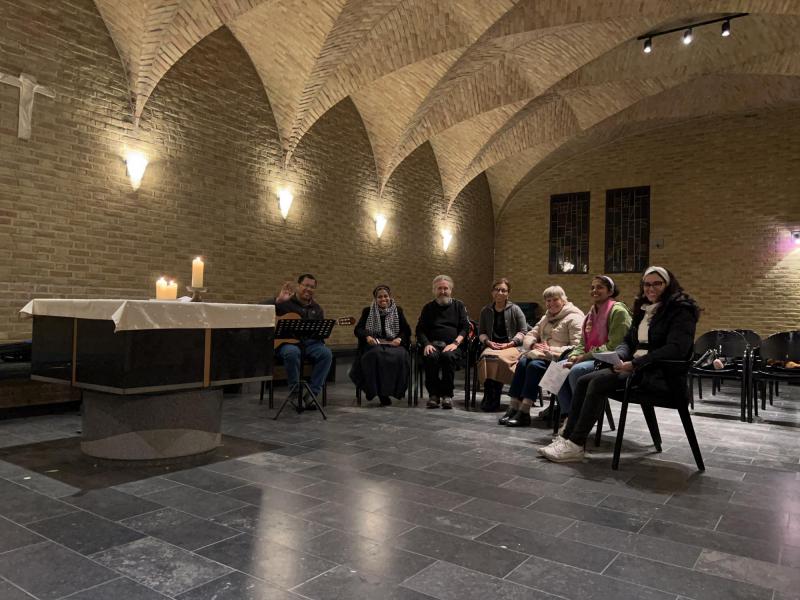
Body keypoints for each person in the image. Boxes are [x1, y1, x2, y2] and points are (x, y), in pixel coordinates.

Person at [540, 266, 700, 462]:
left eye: (657, 283)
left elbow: (676, 348)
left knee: (596, 383)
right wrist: (619, 356)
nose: (651, 288)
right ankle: (567, 438)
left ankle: (576, 444)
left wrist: (635, 363)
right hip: (637, 368)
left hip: (661, 374)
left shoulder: (681, 310)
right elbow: (628, 341)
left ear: (668, 285)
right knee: (583, 380)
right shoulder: (643, 309)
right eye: (647, 284)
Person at [499, 286, 584, 427]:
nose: (551, 304)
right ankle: (514, 407)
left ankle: (524, 411)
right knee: (523, 362)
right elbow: (530, 334)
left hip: (560, 359)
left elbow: (577, 346)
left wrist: (551, 349)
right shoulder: (547, 316)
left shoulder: (574, 318)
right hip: (542, 355)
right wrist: (532, 345)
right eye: (548, 301)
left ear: (563, 300)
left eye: (554, 299)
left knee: (534, 366)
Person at [559, 275, 632, 426]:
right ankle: (568, 416)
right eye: (592, 287)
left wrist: (584, 357)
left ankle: (580, 421)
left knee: (576, 371)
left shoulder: (618, 311)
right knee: (558, 368)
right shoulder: (590, 314)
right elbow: (582, 343)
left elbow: (616, 345)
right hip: (589, 357)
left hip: (610, 360)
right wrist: (574, 355)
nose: (594, 290)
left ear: (610, 291)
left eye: (600, 287)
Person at [262, 274, 333, 408]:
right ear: (299, 286)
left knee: (326, 354)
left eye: (312, 287)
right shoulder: (285, 303)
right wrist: (277, 300)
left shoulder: (317, 309)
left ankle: (312, 393)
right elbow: (259, 309)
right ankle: (295, 393)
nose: (308, 289)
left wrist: (322, 333)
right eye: (306, 285)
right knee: (292, 353)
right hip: (286, 343)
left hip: (310, 344)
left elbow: (320, 334)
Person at [350, 284, 412, 406]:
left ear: (390, 297)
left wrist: (399, 338)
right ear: (375, 299)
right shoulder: (367, 311)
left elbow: (407, 330)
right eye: (380, 297)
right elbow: (358, 329)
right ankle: (376, 392)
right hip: (375, 344)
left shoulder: (398, 310)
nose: (383, 299)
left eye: (386, 296)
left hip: (394, 344)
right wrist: (367, 336)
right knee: (375, 354)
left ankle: (390, 391)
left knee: (400, 356)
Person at [416, 275, 469, 410]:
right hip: (433, 344)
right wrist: (427, 344)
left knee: (448, 356)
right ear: (434, 290)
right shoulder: (428, 308)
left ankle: (447, 395)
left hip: (453, 345)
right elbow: (420, 330)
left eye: (446, 288)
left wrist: (455, 343)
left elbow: (465, 328)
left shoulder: (459, 306)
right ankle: (433, 395)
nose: (443, 291)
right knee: (430, 356)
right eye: (440, 288)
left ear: (451, 290)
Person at [476, 278, 529, 412]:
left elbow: (524, 331)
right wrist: (487, 342)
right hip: (491, 345)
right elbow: (481, 332)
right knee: (487, 357)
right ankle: (489, 394)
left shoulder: (515, 309)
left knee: (498, 359)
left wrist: (511, 343)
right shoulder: (485, 310)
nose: (499, 292)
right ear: (492, 292)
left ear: (508, 293)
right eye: (497, 289)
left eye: (503, 290)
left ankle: (495, 396)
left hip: (511, 346)